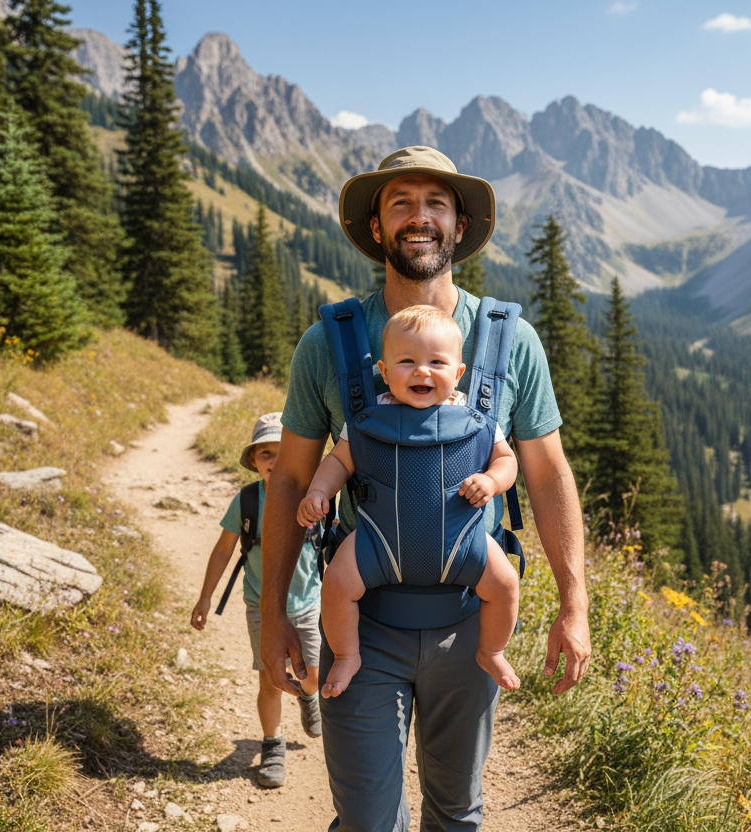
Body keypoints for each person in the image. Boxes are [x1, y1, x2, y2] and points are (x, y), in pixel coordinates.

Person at [261, 146, 591, 831]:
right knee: (367, 822)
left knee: (456, 815)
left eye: (436, 203)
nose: (420, 217)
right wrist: (274, 614)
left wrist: (574, 603)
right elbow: (291, 477)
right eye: (401, 203)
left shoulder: (510, 341)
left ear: (460, 225)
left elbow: (548, 473)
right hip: (361, 622)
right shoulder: (328, 343)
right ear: (376, 226)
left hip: (470, 626)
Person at [296, 304, 522, 698]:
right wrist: (318, 492)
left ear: (458, 373)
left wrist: (491, 480)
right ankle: (347, 654)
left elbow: (507, 460)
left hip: (465, 541)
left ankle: (491, 651)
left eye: (437, 362)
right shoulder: (369, 415)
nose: (422, 371)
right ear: (384, 372)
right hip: (375, 540)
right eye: (407, 362)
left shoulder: (475, 415)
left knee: (505, 583)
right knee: (336, 583)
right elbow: (339, 461)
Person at [190, 412, 322, 790]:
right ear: (253, 460)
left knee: (311, 676)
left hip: (308, 602)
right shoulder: (247, 501)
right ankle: (272, 745)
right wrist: (205, 597)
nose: (276, 461)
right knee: (270, 680)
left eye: (285, 452)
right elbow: (223, 551)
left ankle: (308, 698)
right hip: (261, 606)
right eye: (266, 453)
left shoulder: (315, 496)